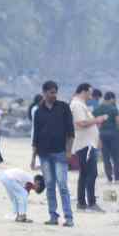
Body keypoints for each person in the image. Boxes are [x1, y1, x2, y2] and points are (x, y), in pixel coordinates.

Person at [30, 80, 75, 227]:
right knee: (49, 185)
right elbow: (35, 136)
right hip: (44, 154)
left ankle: (69, 218)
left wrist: (69, 151)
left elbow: (70, 132)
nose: (54, 95)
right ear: (44, 93)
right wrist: (33, 157)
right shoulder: (38, 112)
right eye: (51, 92)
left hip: (60, 153)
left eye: (55, 92)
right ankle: (53, 216)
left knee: (62, 185)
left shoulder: (63, 108)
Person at [70, 83, 107, 213]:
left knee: (85, 173)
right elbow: (80, 123)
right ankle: (90, 203)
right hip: (85, 145)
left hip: (87, 144)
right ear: (83, 92)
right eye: (90, 93)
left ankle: (82, 203)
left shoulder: (80, 105)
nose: (91, 96)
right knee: (91, 173)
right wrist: (98, 120)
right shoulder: (77, 105)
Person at [96, 91, 119, 183]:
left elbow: (95, 123)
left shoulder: (98, 109)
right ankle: (117, 178)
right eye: (114, 99)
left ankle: (109, 178)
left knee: (106, 157)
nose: (115, 101)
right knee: (116, 157)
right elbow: (118, 122)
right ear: (111, 98)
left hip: (102, 135)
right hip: (114, 135)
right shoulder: (113, 108)